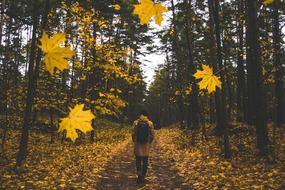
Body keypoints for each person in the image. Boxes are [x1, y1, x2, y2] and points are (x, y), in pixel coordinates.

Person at [132, 110, 155, 184]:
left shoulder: (136, 122)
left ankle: (139, 175)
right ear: (146, 115)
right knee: (145, 160)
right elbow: (152, 135)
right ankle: (144, 176)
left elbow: (133, 133)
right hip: (146, 144)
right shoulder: (150, 123)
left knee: (138, 159)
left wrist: (134, 141)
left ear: (140, 115)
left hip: (138, 144)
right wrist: (149, 142)